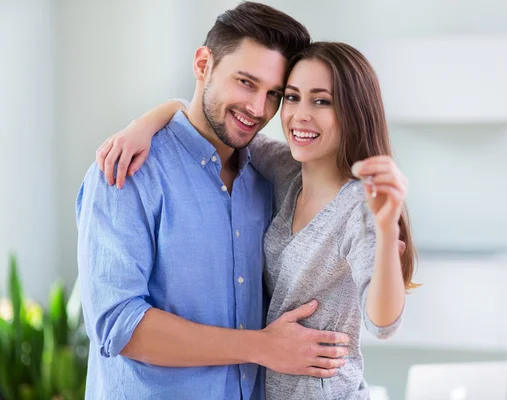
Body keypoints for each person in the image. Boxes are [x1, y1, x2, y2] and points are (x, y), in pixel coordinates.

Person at [97, 41, 419, 399]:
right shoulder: (286, 171)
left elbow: (383, 322)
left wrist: (387, 230)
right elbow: (205, 122)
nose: (300, 115)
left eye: (322, 101)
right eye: (292, 97)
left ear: (353, 112)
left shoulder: (360, 206)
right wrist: (144, 125)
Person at [77, 3, 352, 400]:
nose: (258, 109)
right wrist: (262, 346)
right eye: (245, 82)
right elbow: (119, 325)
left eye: (274, 94)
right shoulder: (128, 170)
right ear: (203, 63)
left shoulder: (271, 175)